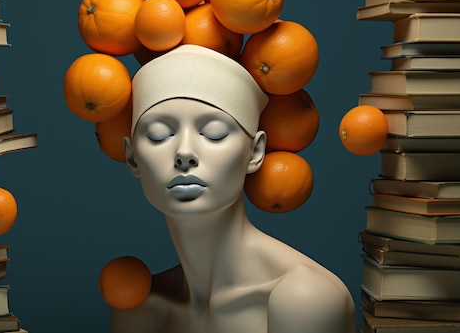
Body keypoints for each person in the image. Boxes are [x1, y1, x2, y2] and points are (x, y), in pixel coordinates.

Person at [114, 44, 356, 333]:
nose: (184, 152)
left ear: (254, 152)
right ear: (132, 157)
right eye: (159, 134)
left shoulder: (305, 299)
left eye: (214, 133)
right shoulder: (141, 307)